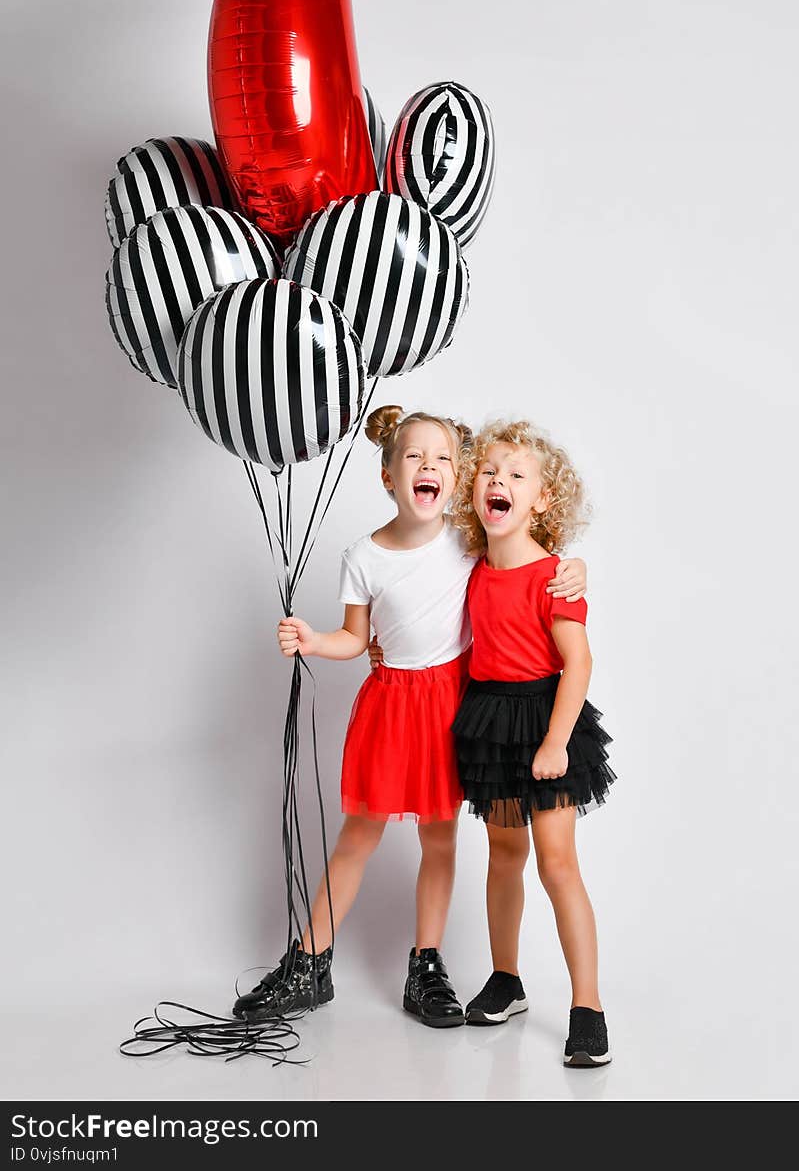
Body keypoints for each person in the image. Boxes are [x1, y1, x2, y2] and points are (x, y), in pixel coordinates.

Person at [232, 406, 586, 1028]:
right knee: (359, 834)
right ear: (388, 476)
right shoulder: (363, 555)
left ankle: (426, 964)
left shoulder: (466, 540)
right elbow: (354, 635)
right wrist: (314, 640)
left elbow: (524, 552)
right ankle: (309, 962)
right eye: (414, 457)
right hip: (390, 705)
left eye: (445, 458)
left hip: (455, 704)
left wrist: (571, 563)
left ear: (458, 479)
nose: (430, 467)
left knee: (440, 837)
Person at [449, 418, 615, 1066]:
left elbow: (579, 663)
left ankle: (588, 1008)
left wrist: (556, 742)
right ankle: (506, 979)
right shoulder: (470, 572)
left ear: (541, 501)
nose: (500, 481)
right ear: (474, 491)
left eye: (517, 475)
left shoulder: (555, 577)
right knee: (503, 855)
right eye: (490, 472)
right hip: (490, 720)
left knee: (557, 863)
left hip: (548, 718)